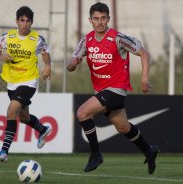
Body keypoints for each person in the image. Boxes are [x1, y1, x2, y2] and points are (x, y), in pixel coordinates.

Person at [67, 2, 159, 174]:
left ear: (108, 19)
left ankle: (96, 155)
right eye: (96, 19)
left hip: (117, 88)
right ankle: (149, 150)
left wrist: (144, 78)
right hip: (101, 91)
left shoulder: (118, 38)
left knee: (82, 112)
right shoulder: (86, 40)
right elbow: (70, 65)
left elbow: (144, 54)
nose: (100, 22)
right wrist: (73, 63)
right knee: (123, 127)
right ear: (90, 20)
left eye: (103, 18)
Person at [0, 6, 52, 162]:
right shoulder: (7, 37)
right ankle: (43, 129)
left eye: (28, 21)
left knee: (11, 110)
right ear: (17, 21)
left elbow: (46, 53)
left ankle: (4, 152)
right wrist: (0, 56)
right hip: (12, 81)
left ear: (31, 22)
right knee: (24, 117)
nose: (25, 24)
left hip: (29, 81)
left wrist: (47, 66)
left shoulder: (37, 39)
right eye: (22, 20)